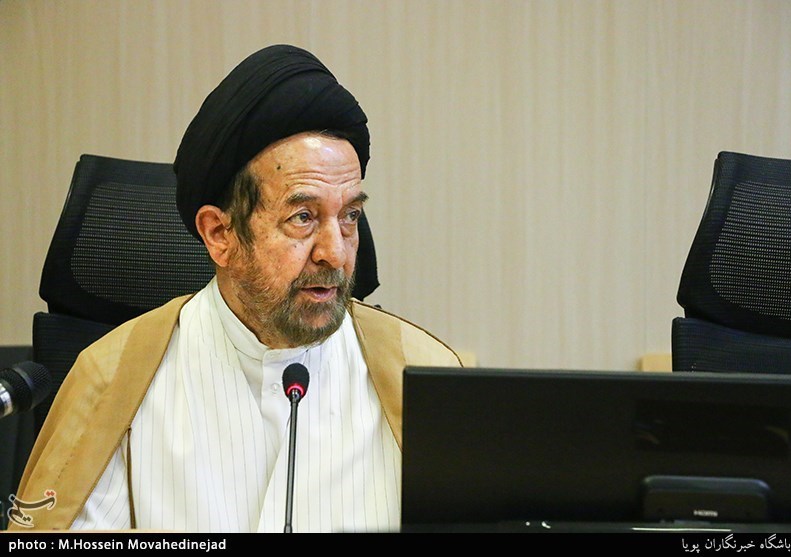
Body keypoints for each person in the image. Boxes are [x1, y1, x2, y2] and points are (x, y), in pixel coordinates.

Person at [10, 44, 462, 533]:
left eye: (349, 215)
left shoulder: (424, 379)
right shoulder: (113, 380)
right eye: (303, 217)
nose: (335, 252)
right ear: (220, 235)